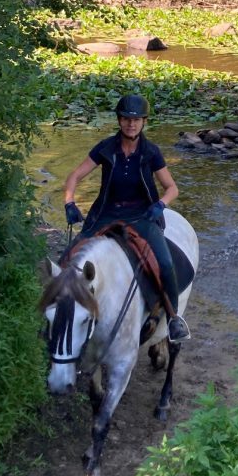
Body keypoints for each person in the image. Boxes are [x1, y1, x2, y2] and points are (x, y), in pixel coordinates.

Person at [63, 94, 190, 342]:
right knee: (70, 256)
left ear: (143, 122)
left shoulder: (151, 152)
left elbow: (171, 188)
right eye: (126, 119)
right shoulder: (105, 148)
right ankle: (59, 312)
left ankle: (174, 319)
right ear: (119, 121)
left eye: (136, 120)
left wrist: (160, 205)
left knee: (164, 263)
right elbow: (74, 176)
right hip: (106, 213)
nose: (131, 124)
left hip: (141, 214)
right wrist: (69, 201)